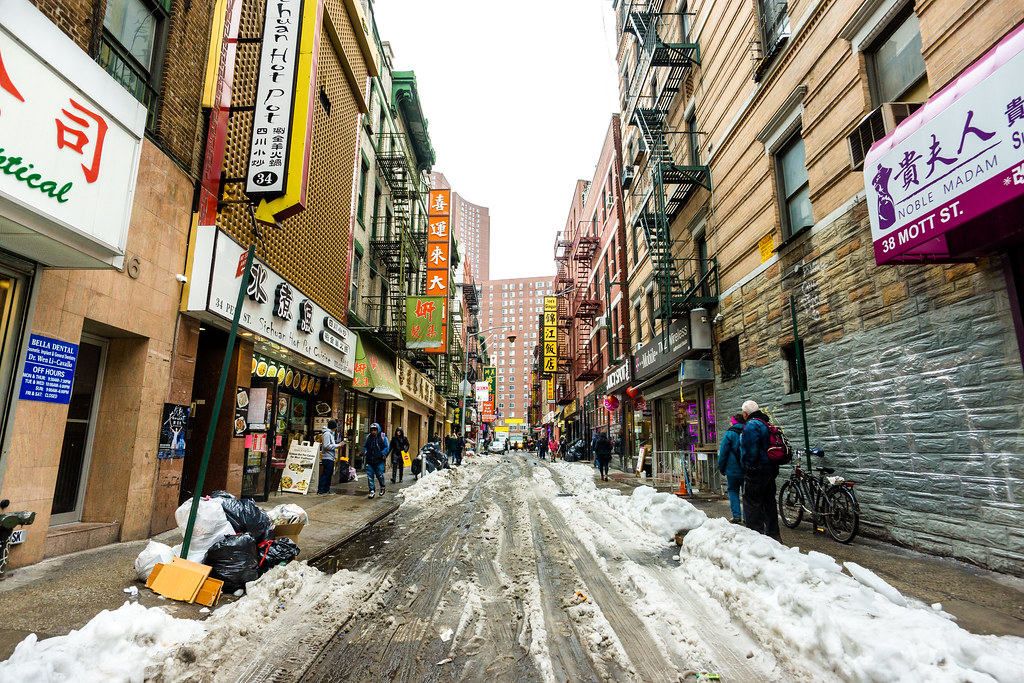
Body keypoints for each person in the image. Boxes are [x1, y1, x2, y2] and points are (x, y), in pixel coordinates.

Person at [740, 400, 781, 540]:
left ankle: (756, 537)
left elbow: (751, 450)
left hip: (757, 470)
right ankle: (773, 534)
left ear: (745, 413)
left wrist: (749, 467)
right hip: (770, 468)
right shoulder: (766, 423)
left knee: (752, 503)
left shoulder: (751, 425)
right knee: (769, 502)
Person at [718, 414, 746, 523]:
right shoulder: (747, 431)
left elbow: (723, 453)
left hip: (732, 468)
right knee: (746, 493)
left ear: (733, 422)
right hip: (746, 468)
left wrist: (721, 467)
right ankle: (747, 517)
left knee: (733, 491)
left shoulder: (729, 434)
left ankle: (736, 516)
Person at [363, 422, 389, 499]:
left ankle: (382, 486)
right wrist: (366, 452)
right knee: (370, 477)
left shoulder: (383, 437)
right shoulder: (368, 437)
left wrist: (382, 454)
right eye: (372, 430)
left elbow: (387, 447)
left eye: (375, 430)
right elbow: (365, 446)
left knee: (379, 475)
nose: (373, 432)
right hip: (370, 460)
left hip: (379, 460)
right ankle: (371, 490)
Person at [318, 419, 338, 495]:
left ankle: (326, 489)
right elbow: (326, 446)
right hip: (327, 457)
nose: (336, 428)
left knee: (329, 474)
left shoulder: (330, 433)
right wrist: (337, 446)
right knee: (326, 474)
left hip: (330, 457)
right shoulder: (327, 434)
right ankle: (321, 490)